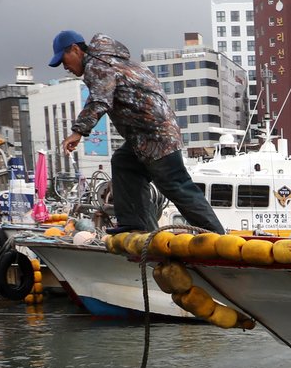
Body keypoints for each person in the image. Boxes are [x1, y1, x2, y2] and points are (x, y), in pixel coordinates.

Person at [50, 30, 223, 235]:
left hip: (154, 134)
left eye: (64, 60)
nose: (66, 67)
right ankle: (138, 225)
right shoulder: (112, 61)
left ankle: (216, 235)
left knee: (176, 184)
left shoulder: (97, 65)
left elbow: (99, 100)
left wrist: (78, 131)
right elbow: (100, 96)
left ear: (75, 49)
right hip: (148, 133)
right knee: (124, 163)